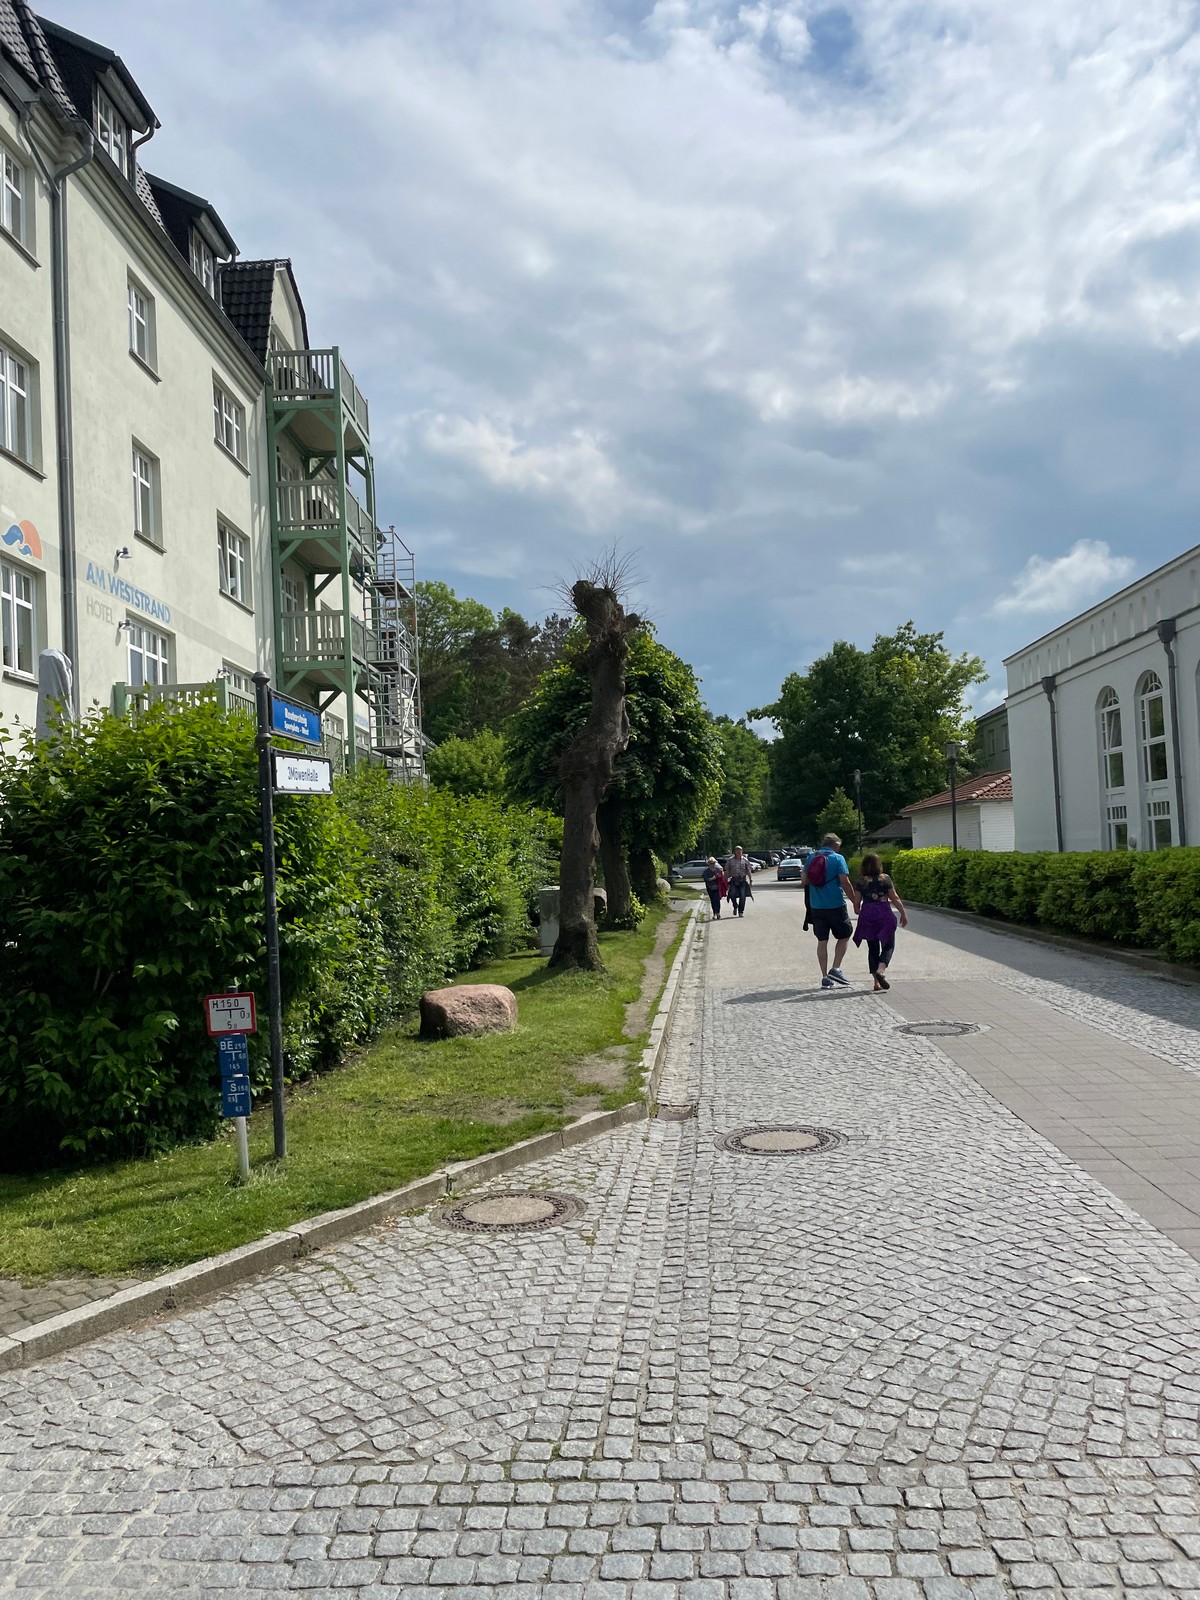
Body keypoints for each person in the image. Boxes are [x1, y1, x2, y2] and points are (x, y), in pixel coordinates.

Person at [803, 833, 861, 988]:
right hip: (835, 904)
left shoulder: (811, 857)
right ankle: (835, 968)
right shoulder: (838, 858)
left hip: (816, 906)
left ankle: (824, 977)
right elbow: (845, 882)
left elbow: (804, 880)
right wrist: (855, 901)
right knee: (845, 934)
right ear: (835, 845)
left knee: (822, 940)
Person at [853, 853, 908, 990]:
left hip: (868, 914)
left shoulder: (861, 881)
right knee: (888, 945)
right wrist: (903, 913)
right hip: (884, 914)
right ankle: (881, 970)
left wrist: (858, 910)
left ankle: (876, 982)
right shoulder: (885, 878)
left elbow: (856, 901)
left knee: (873, 948)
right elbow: (894, 897)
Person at [724, 846, 754, 917]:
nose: (738, 852)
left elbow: (748, 870)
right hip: (734, 880)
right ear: (735, 851)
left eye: (740, 850)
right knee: (732, 894)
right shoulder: (730, 860)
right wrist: (725, 879)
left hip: (742, 880)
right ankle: (735, 906)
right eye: (737, 850)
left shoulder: (745, 860)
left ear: (742, 851)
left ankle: (741, 911)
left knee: (742, 896)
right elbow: (727, 871)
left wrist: (750, 880)